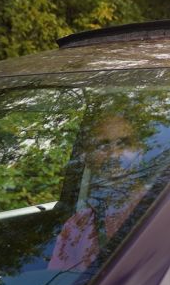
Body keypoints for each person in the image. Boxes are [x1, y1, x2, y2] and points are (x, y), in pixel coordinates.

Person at [47, 114, 149, 272]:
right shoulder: (76, 227)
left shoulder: (161, 206)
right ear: (88, 158)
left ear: (140, 150)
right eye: (103, 146)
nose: (114, 155)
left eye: (123, 144)